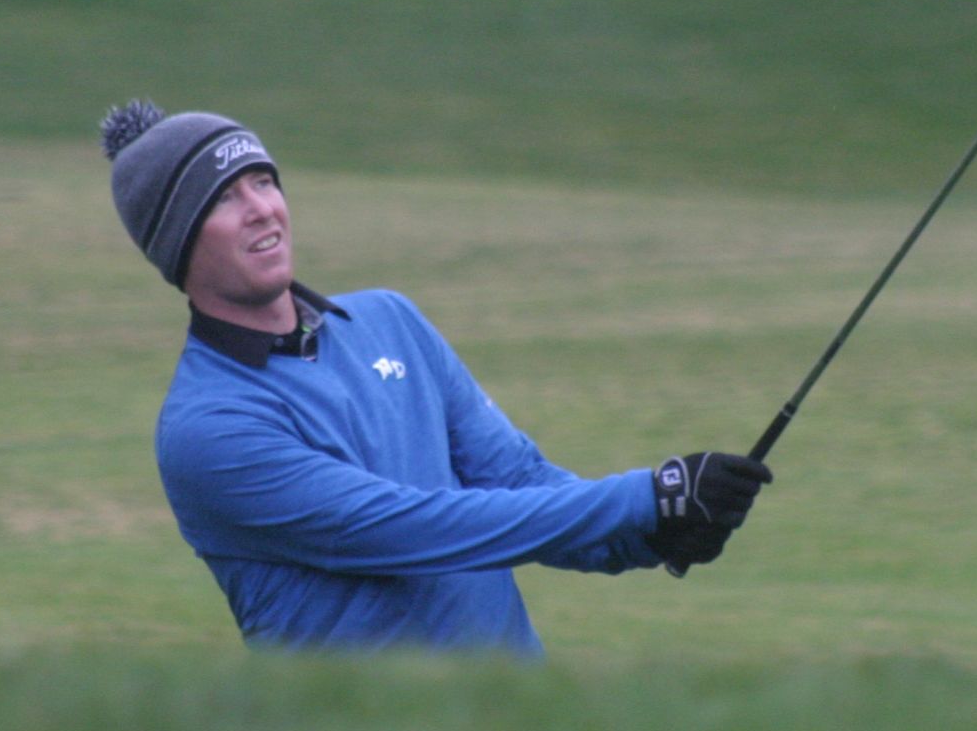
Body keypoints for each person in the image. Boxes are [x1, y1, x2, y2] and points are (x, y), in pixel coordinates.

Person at [100, 101, 772, 655]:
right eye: (223, 198)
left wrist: (648, 534)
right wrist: (648, 495)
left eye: (263, 180)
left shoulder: (390, 320)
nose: (261, 209)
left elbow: (517, 480)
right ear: (179, 243)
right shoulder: (205, 429)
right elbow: (414, 529)